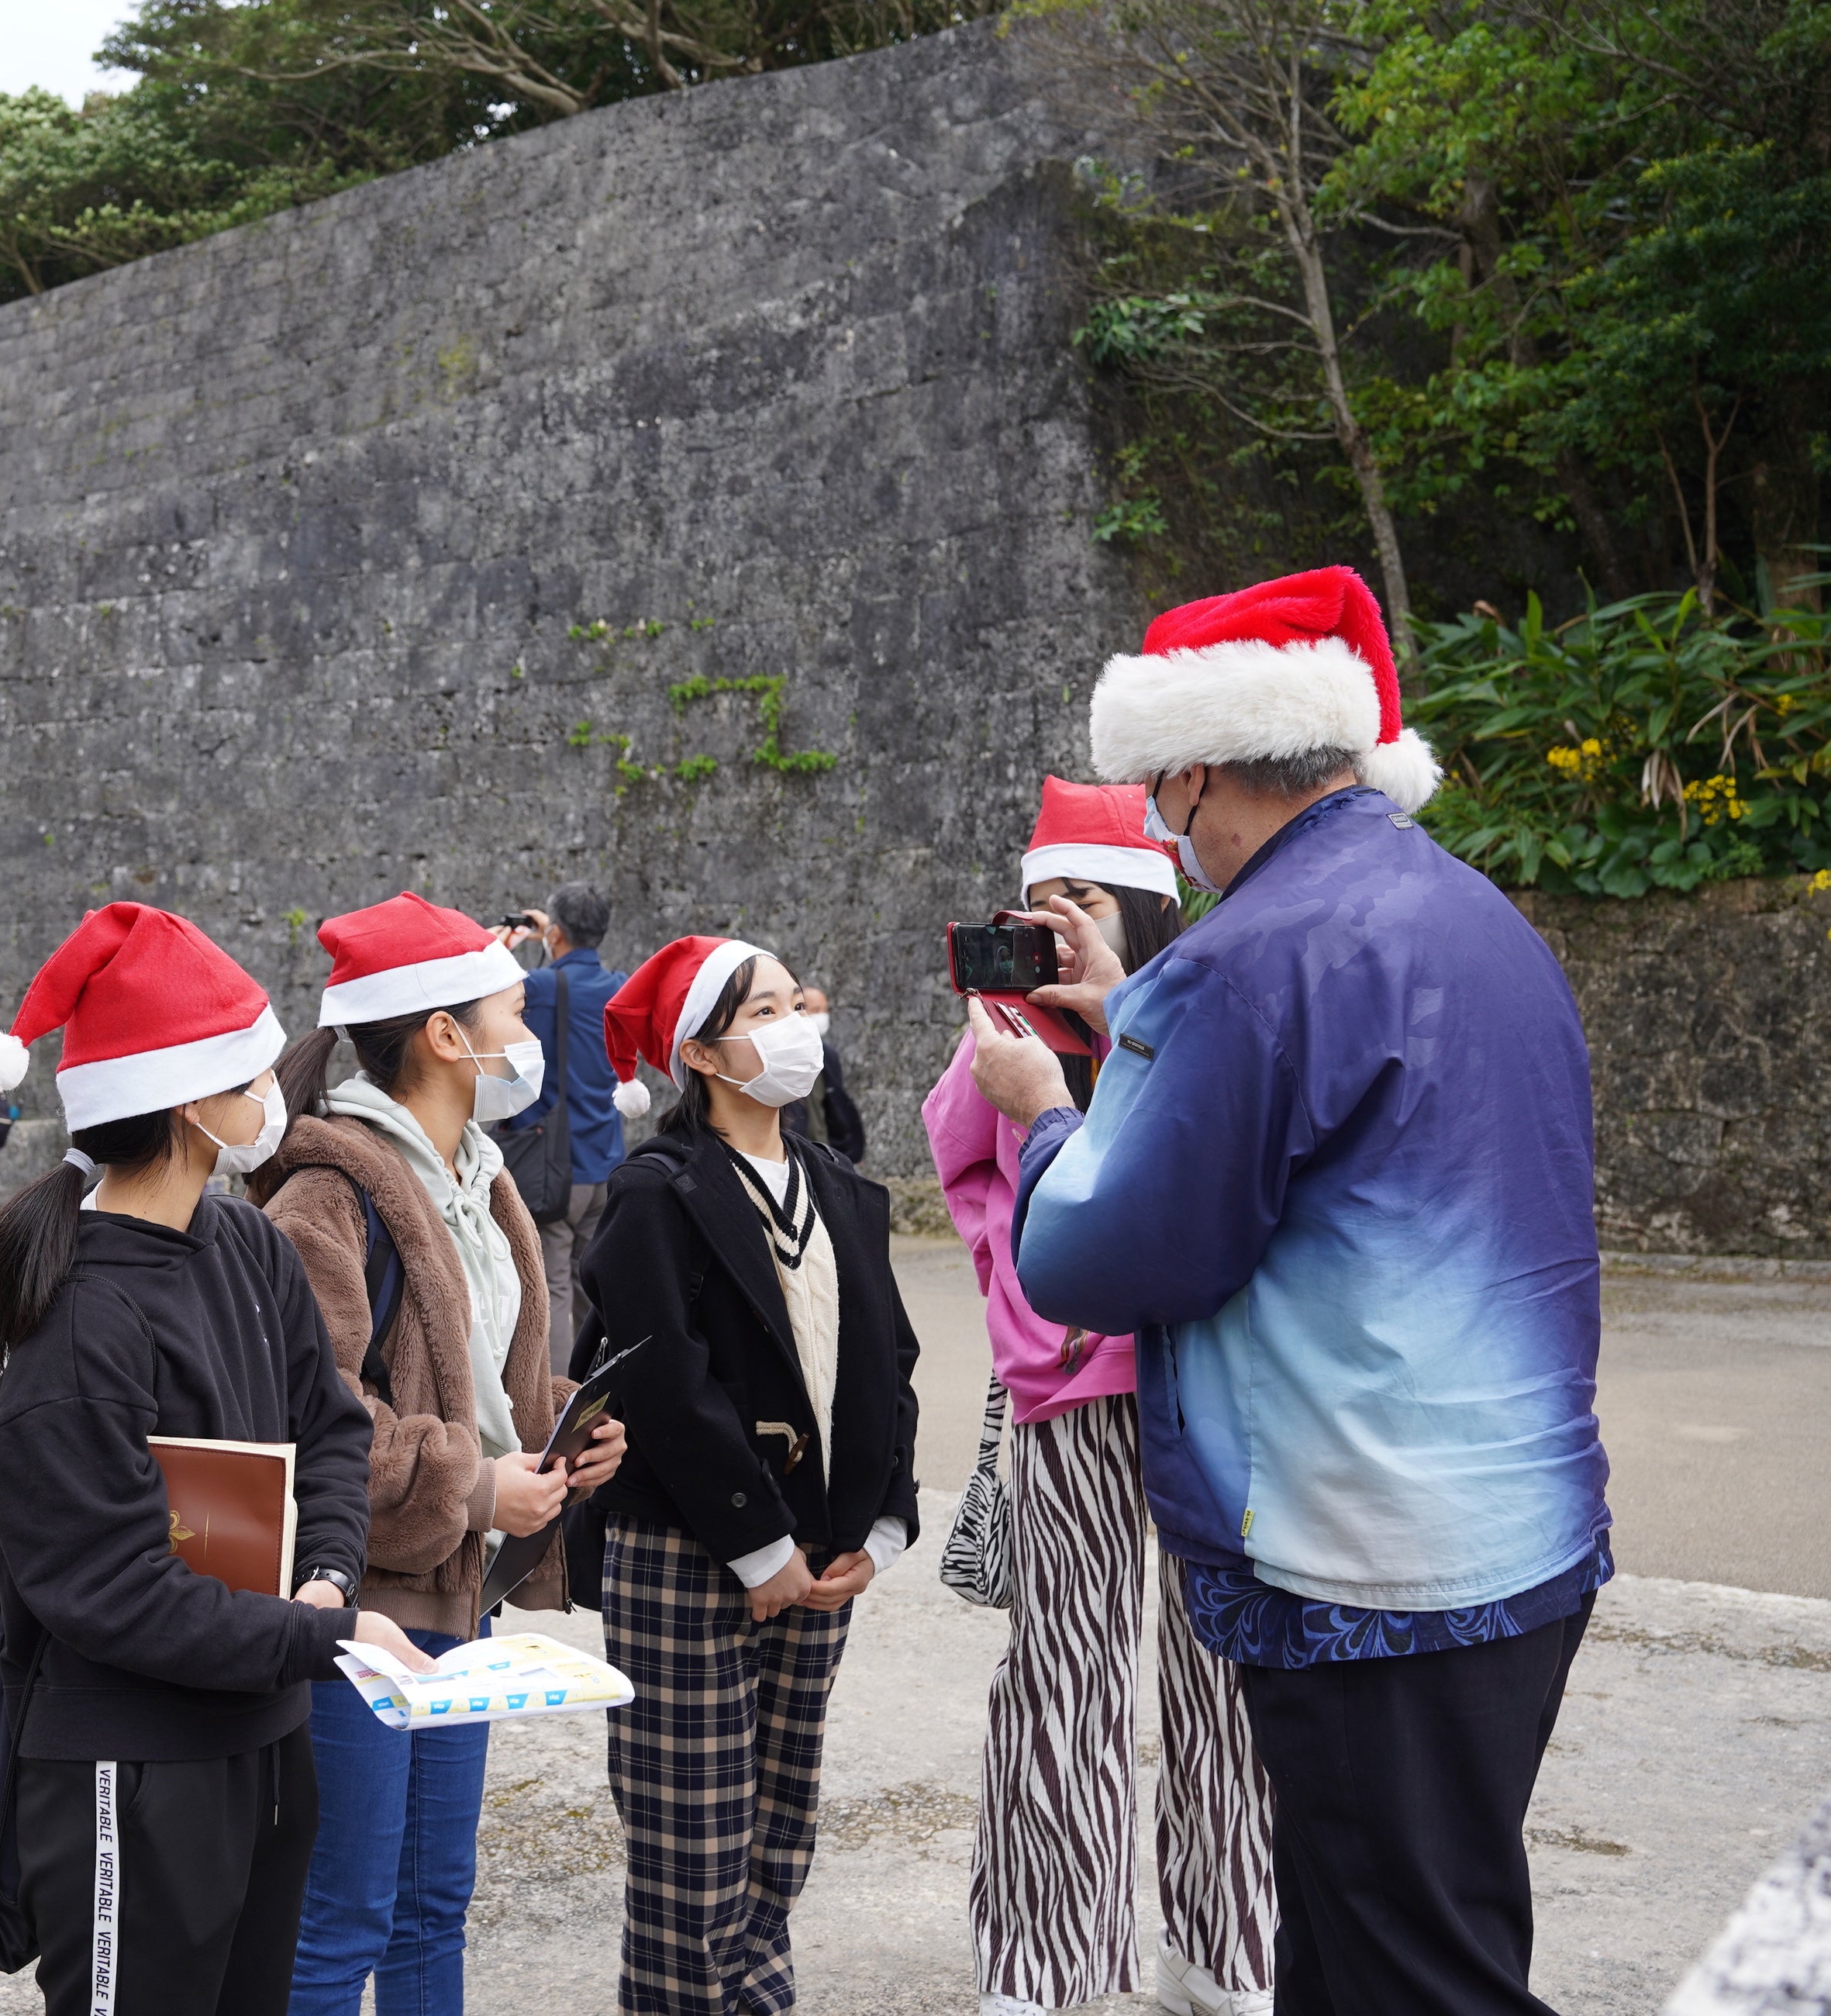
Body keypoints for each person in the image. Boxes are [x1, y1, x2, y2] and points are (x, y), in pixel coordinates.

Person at [968, 567, 1611, 2016]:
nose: (1159, 827)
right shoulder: (1473, 913)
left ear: (1196, 770)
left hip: (1370, 1561)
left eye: (1157, 797)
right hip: (1522, 1528)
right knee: (1375, 1934)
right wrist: (1132, 1014)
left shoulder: (1249, 961)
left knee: (1414, 1971)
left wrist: (1048, 1116)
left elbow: (1098, 1258)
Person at [0, 903, 433, 2016]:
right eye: (255, 1073)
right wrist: (324, 1633)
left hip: (263, 1730)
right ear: (188, 1101)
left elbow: (330, 1427)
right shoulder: (82, 1321)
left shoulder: (247, 1246)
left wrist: (327, 1571)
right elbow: (113, 1590)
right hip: (136, 1766)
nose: (276, 1093)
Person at [924, 776, 1276, 2016]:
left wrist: (1119, 1025)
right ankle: (1045, 1969)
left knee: (1219, 1674)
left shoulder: (1197, 1010)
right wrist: (1015, 1296)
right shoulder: (1003, 1039)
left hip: (1199, 1376)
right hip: (1065, 1386)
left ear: (1138, 902)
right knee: (1063, 1671)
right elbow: (961, 1168)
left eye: (1078, 897)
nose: (1051, 923)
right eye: (1034, 902)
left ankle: (1223, 1951)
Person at [251, 892, 629, 2016]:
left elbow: (467, 1378)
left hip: (459, 1600)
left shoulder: (477, 1178)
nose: (536, 1029)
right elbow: (310, 1409)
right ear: (445, 1036)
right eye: (515, 1007)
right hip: (359, 1601)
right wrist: (470, 1486)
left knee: (431, 1904)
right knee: (345, 1915)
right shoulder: (329, 1195)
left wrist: (562, 1422)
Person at [581, 934, 923, 2015]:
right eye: (763, 1012)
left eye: (795, 1003)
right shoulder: (656, 1196)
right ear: (706, 1056)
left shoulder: (838, 1186)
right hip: (692, 1552)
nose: (795, 1028)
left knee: (779, 1832)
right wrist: (760, 1547)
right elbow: (666, 1389)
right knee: (693, 1847)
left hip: (823, 1558)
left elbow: (890, 1365)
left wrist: (880, 1526)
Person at [493, 882, 629, 1373]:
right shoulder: (619, 986)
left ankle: (555, 1406)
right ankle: (604, 1390)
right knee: (593, 1289)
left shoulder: (541, 988)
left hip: (551, 1166)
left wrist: (510, 944)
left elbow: (487, 996)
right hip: (606, 1160)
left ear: (558, 931)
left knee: (550, 1287)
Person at [776, 982, 865, 1163]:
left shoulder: (827, 1054)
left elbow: (835, 1102)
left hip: (826, 1153)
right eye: (815, 1009)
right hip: (796, 1151)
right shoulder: (782, 1055)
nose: (822, 1016)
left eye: (825, 1010)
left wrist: (848, 1146)